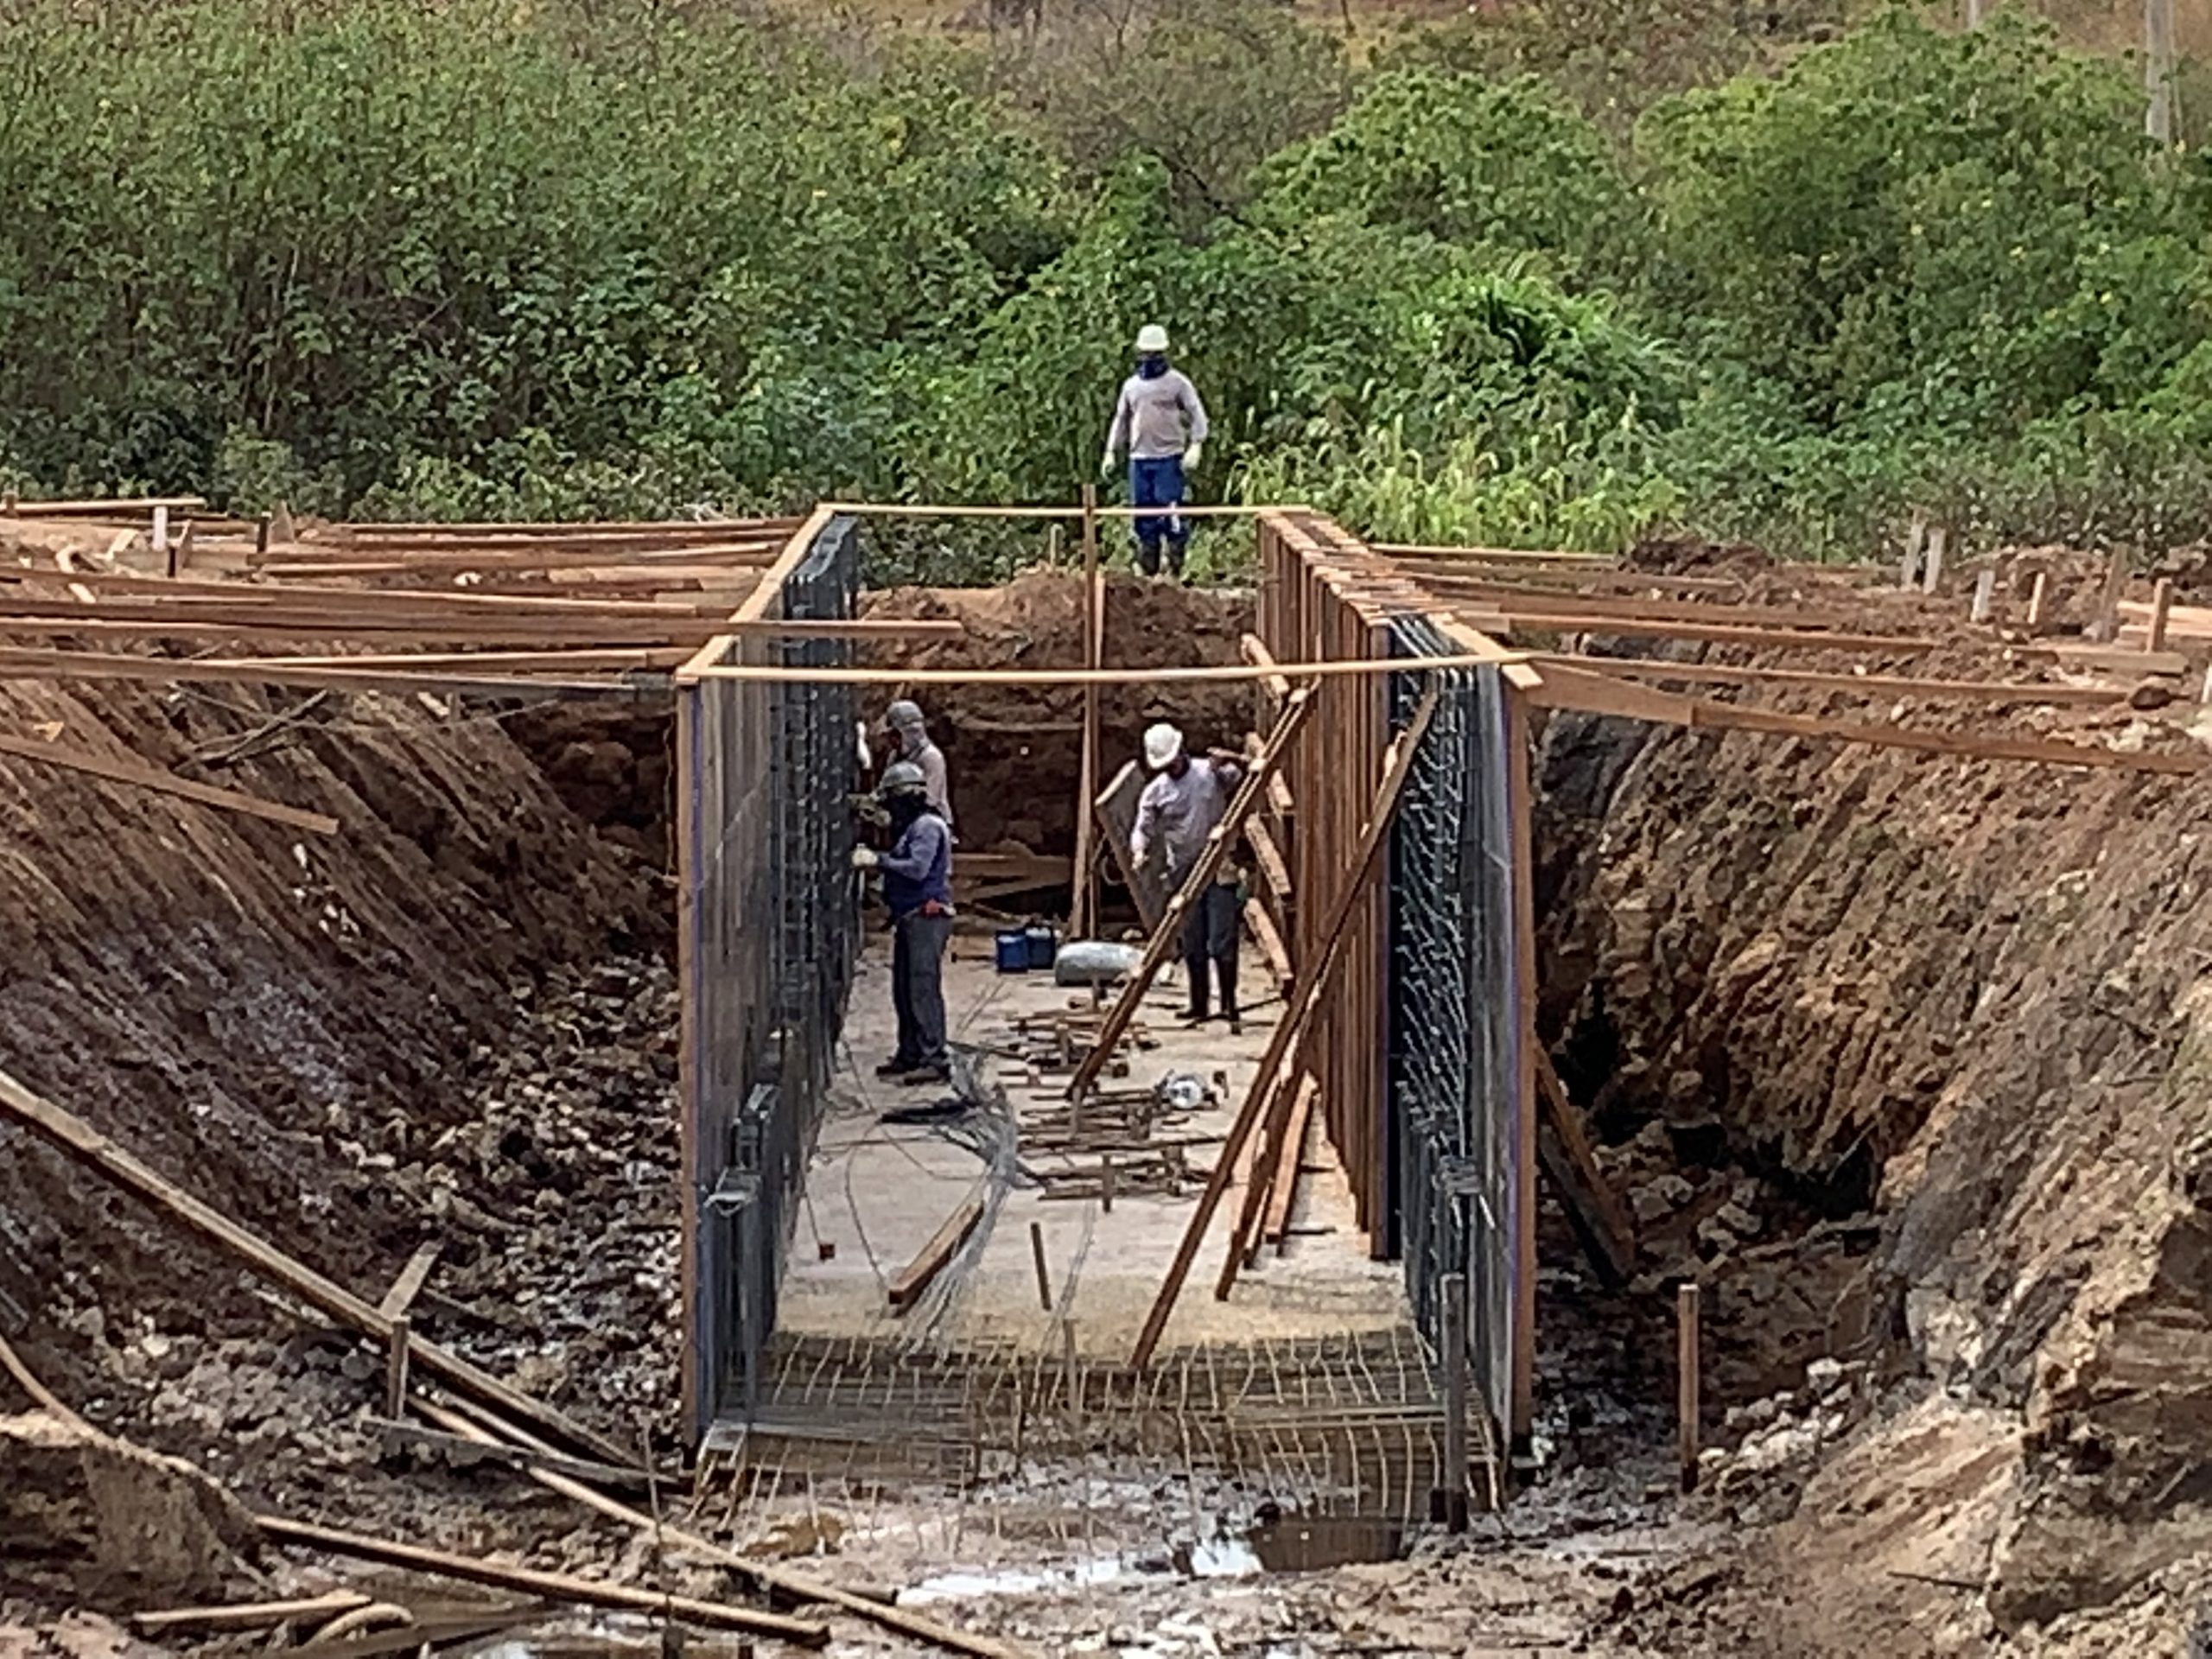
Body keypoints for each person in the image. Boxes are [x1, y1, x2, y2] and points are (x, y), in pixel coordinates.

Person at [1129, 721, 1243, 1027]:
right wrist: (1139, 852)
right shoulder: (1156, 791)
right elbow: (1142, 827)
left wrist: (1228, 763)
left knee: (1221, 940)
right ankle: (1199, 1003)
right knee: (1192, 941)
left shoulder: (1208, 772)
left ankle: (1230, 1005)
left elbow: (1239, 777)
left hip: (1218, 865)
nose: (1174, 766)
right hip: (1183, 870)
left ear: (1181, 750)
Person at [852, 760, 955, 1084]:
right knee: (904, 988)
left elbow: (917, 868)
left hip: (927, 916)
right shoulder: (914, 827)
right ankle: (910, 1052)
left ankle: (934, 1057)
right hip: (909, 917)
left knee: (923, 988)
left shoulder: (927, 827)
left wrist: (878, 861)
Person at [1101, 324, 1210, 580]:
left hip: (1168, 458)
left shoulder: (1177, 383)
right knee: (1143, 511)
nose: (1150, 359)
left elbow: (1196, 412)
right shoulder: (1131, 387)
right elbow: (1121, 419)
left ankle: (1175, 565)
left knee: (1169, 508)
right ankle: (1147, 567)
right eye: (1146, 353)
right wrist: (1111, 450)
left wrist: (1196, 443)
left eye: (1155, 353)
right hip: (1140, 458)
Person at [880, 697, 952, 833]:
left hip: (931, 826)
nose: (892, 741)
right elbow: (884, 789)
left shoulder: (931, 757)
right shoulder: (894, 757)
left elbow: (930, 799)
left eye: (896, 735)